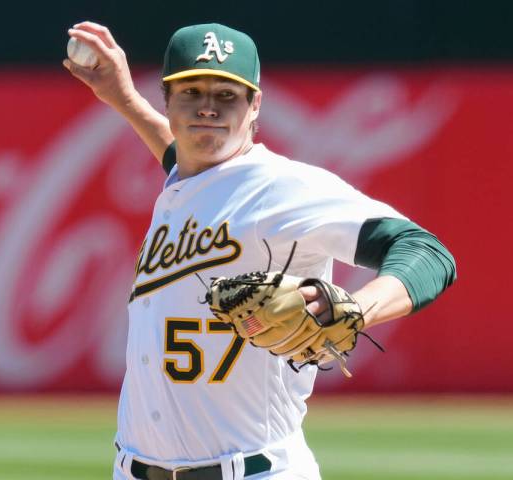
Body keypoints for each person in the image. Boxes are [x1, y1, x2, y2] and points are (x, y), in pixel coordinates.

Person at [64, 21, 456, 480]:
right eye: (191, 91)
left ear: (255, 106)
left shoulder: (280, 188)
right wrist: (126, 100)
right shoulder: (188, 182)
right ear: (167, 100)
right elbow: (181, 157)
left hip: (251, 471)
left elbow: (426, 252)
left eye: (227, 95)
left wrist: (354, 308)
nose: (208, 108)